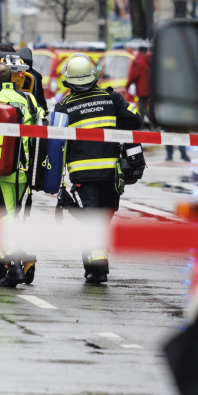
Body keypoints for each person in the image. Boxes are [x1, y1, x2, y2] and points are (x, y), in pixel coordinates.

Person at [54, 52, 142, 284]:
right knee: (102, 218)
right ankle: (97, 266)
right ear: (94, 76)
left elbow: (54, 145)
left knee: (92, 219)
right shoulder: (112, 99)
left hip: (83, 174)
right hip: (111, 174)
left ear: (68, 80)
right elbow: (136, 121)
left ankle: (96, 266)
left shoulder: (64, 107)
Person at [0, 60, 43, 287]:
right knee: (10, 215)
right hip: (23, 172)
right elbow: (41, 124)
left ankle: (13, 265)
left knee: (4, 215)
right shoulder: (29, 99)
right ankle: (1, 262)